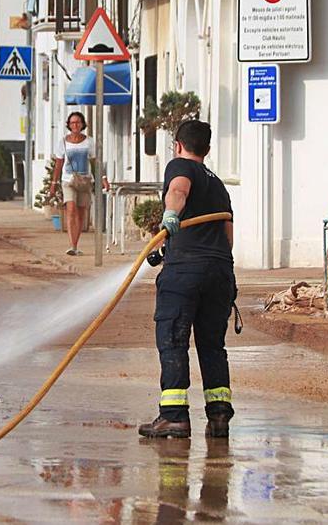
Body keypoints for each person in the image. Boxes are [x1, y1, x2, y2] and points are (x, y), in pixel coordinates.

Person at [138, 119, 236, 439]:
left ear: (178, 145)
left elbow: (179, 189)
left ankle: (174, 416)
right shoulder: (218, 184)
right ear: (207, 149)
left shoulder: (180, 166)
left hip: (186, 273)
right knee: (212, 345)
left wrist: (170, 217)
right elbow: (227, 236)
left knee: (173, 340)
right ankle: (219, 416)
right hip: (220, 271)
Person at [49, 112, 107, 255]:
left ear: (82, 124)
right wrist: (53, 183)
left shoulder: (89, 142)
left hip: (85, 180)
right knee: (71, 209)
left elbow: (95, 162)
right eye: (72, 123)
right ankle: (72, 245)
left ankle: (76, 243)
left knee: (81, 213)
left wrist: (103, 178)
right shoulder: (63, 142)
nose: (75, 125)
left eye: (78, 122)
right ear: (68, 125)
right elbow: (59, 164)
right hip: (68, 180)